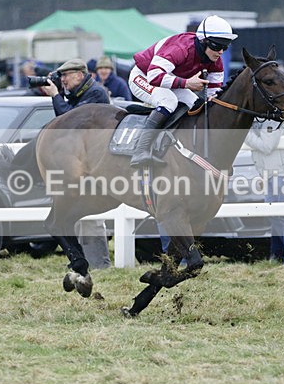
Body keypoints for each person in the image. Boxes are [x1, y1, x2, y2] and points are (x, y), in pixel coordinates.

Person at [128, 14, 236, 166]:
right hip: (144, 75)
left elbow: (213, 96)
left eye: (225, 47)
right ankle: (140, 150)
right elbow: (154, 76)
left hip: (169, 79)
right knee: (169, 101)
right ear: (203, 41)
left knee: (197, 105)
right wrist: (186, 83)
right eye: (217, 46)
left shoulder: (216, 62)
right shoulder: (180, 48)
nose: (221, 52)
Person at [37, 58, 112, 268]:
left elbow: (68, 121)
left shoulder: (96, 94)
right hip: (85, 163)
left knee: (91, 218)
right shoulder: (80, 93)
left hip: (95, 165)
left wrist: (55, 95)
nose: (63, 80)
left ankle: (100, 264)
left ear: (80, 75)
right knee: (76, 216)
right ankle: (85, 262)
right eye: (60, 76)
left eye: (66, 76)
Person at [245, 120, 284, 263]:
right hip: (271, 172)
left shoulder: (273, 117)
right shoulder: (258, 118)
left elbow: (267, 146)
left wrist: (244, 133)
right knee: (273, 214)